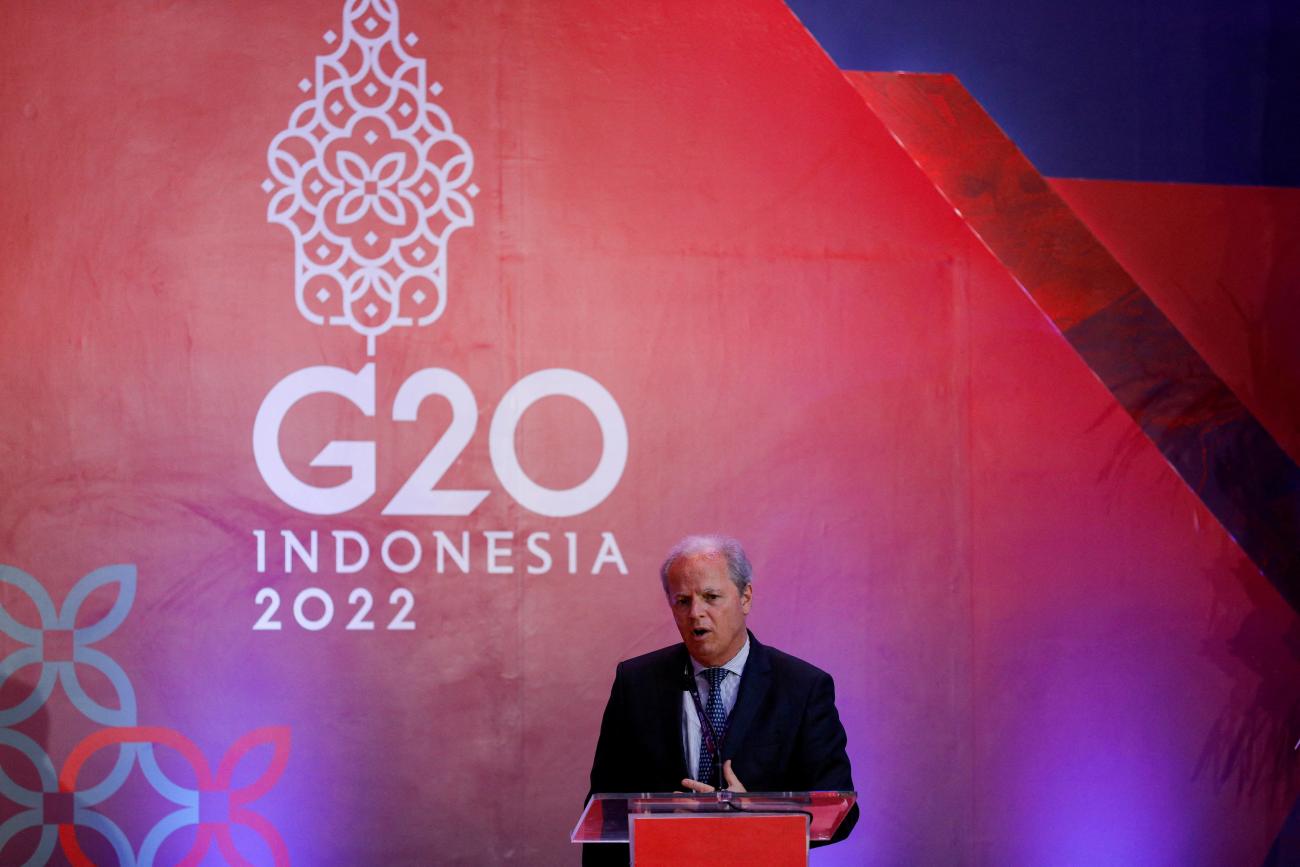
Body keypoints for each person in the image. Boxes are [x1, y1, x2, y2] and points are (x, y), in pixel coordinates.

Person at [583, 535, 858, 864]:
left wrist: (758, 819)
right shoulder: (637, 683)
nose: (696, 613)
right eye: (682, 601)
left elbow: (839, 811)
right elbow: (603, 811)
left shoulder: (802, 688)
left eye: (711, 597)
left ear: (745, 597)